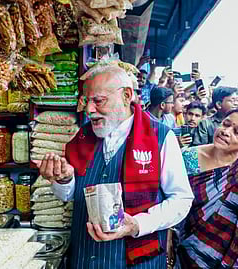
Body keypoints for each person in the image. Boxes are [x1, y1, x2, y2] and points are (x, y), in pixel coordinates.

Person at [38, 64, 194, 268]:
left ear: (126, 95)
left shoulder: (161, 137)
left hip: (137, 260)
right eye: (87, 101)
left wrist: (137, 225)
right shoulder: (82, 138)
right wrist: (64, 180)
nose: (89, 110)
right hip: (85, 257)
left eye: (99, 101)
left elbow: (181, 199)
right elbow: (68, 195)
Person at [177, 107, 238, 268]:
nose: (225, 131)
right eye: (225, 124)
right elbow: (172, 203)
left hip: (226, 256)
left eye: (237, 131)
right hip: (185, 248)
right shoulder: (189, 157)